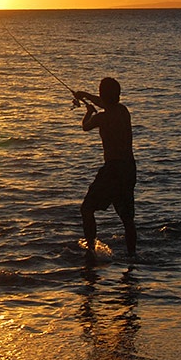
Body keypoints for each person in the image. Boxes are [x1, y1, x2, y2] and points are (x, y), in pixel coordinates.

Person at [74, 77, 137, 257]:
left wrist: (88, 112)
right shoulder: (123, 111)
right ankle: (132, 256)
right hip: (129, 169)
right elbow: (104, 103)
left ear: (103, 94)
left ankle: (91, 252)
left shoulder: (101, 118)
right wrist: (85, 95)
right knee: (127, 218)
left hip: (112, 170)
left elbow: (85, 127)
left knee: (86, 209)